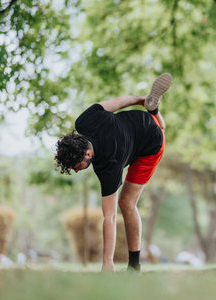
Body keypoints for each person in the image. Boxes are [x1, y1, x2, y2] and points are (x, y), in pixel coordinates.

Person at [55, 73, 172, 272]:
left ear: (88, 153)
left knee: (126, 202)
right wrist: (140, 100)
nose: (75, 170)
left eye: (76, 165)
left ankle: (134, 266)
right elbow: (118, 102)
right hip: (141, 118)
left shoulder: (109, 166)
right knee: (160, 125)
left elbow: (109, 218)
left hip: (151, 146)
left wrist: (107, 262)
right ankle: (154, 109)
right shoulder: (85, 121)